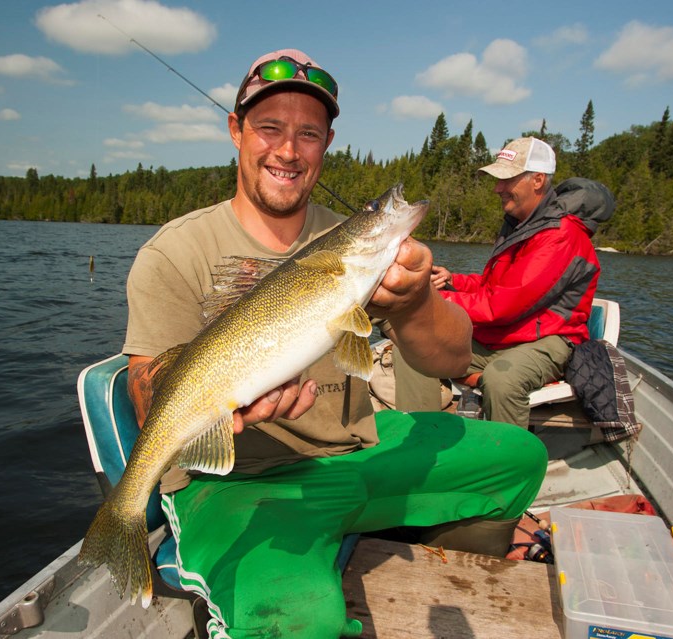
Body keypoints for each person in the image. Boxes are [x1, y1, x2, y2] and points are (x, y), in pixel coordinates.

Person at [122, 50, 548, 639]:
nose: (288, 150)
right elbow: (150, 400)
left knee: (518, 459)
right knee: (297, 625)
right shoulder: (174, 252)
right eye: (269, 127)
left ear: (325, 144)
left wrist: (415, 302)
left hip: (356, 449)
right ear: (235, 130)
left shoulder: (353, 248)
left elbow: (452, 359)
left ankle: (440, 577)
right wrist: (232, 411)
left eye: (308, 134)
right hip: (240, 482)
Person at [429, 137, 614, 428]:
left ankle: (507, 466)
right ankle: (426, 442)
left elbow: (500, 305)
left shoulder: (560, 235)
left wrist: (429, 300)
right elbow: (495, 286)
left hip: (550, 340)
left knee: (502, 379)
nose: (497, 188)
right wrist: (454, 281)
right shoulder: (522, 225)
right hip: (511, 334)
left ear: (538, 180)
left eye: (507, 179)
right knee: (420, 348)